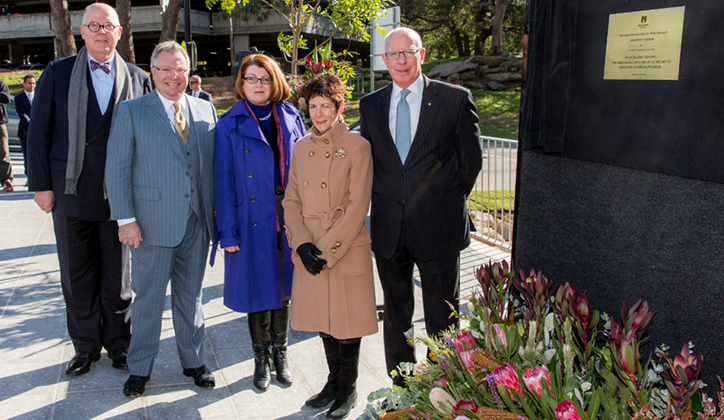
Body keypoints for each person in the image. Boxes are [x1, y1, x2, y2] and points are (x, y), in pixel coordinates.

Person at [26, 3, 152, 377]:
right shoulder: (58, 72)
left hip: (120, 197)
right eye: (93, 25)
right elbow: (39, 133)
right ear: (82, 32)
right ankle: (84, 347)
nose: (101, 32)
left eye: (108, 25)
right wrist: (41, 186)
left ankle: (118, 344)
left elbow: (147, 139)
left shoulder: (136, 77)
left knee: (118, 279)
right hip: (70, 191)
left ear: (119, 32)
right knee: (77, 277)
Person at [359, 27, 482, 386]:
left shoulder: (454, 99)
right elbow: (373, 163)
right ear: (384, 60)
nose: (400, 60)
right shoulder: (371, 105)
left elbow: (470, 162)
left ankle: (444, 386)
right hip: (388, 228)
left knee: (442, 316)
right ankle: (402, 386)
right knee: (396, 316)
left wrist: (442, 200)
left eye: (407, 52)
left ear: (422, 54)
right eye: (393, 54)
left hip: (438, 226)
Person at [105, 40, 217, 398]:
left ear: (188, 72)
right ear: (152, 72)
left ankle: (194, 361)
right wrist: (126, 220)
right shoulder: (133, 111)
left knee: (191, 297)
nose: (173, 76)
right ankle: (139, 368)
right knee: (148, 299)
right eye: (165, 69)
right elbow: (117, 170)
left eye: (180, 69)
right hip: (150, 226)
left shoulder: (204, 110)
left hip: (196, 223)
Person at [283, 73, 377, 419]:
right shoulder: (301, 147)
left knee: (347, 322)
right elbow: (291, 200)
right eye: (313, 107)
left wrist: (325, 248)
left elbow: (357, 206)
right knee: (323, 319)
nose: (319, 114)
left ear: (339, 108)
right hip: (310, 247)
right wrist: (302, 245)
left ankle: (348, 388)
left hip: (344, 247)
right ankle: (333, 383)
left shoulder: (357, 146)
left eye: (326, 106)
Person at [213, 53, 306, 392]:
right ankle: (260, 358)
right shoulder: (229, 123)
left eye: (264, 78)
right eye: (251, 78)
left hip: (289, 215)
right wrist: (227, 232)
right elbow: (222, 183)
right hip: (251, 217)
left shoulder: (291, 115)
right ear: (242, 82)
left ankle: (281, 354)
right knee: (258, 290)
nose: (258, 85)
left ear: (274, 81)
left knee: (283, 290)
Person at [14, 74, 35, 183]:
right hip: (26, 131)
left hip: (41, 131)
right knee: (28, 155)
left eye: (33, 83)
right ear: (24, 84)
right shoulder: (19, 98)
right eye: (29, 83)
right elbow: (22, 115)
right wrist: (33, 126)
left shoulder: (40, 96)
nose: (32, 85)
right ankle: (30, 177)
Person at [0, 79, 12, 191]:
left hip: (0, 123)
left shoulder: (1, 84)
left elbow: (5, 98)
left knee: (3, 152)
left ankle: (6, 179)